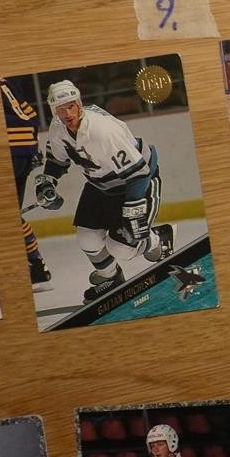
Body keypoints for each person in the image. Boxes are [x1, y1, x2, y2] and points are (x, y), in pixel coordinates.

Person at [34, 81, 175, 302]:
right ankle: (111, 278)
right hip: (100, 186)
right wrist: (48, 183)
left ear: (79, 103)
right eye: (61, 109)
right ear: (54, 111)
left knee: (121, 248)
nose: (67, 113)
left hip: (136, 183)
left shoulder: (102, 131)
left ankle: (160, 238)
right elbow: (57, 160)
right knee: (87, 238)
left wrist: (133, 209)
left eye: (71, 106)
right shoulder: (58, 127)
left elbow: (138, 173)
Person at [0, 77, 53, 291]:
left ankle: (31, 266)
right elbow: (31, 115)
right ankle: (37, 267)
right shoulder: (5, 81)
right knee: (10, 215)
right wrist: (32, 147)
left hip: (6, 150)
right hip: (24, 149)